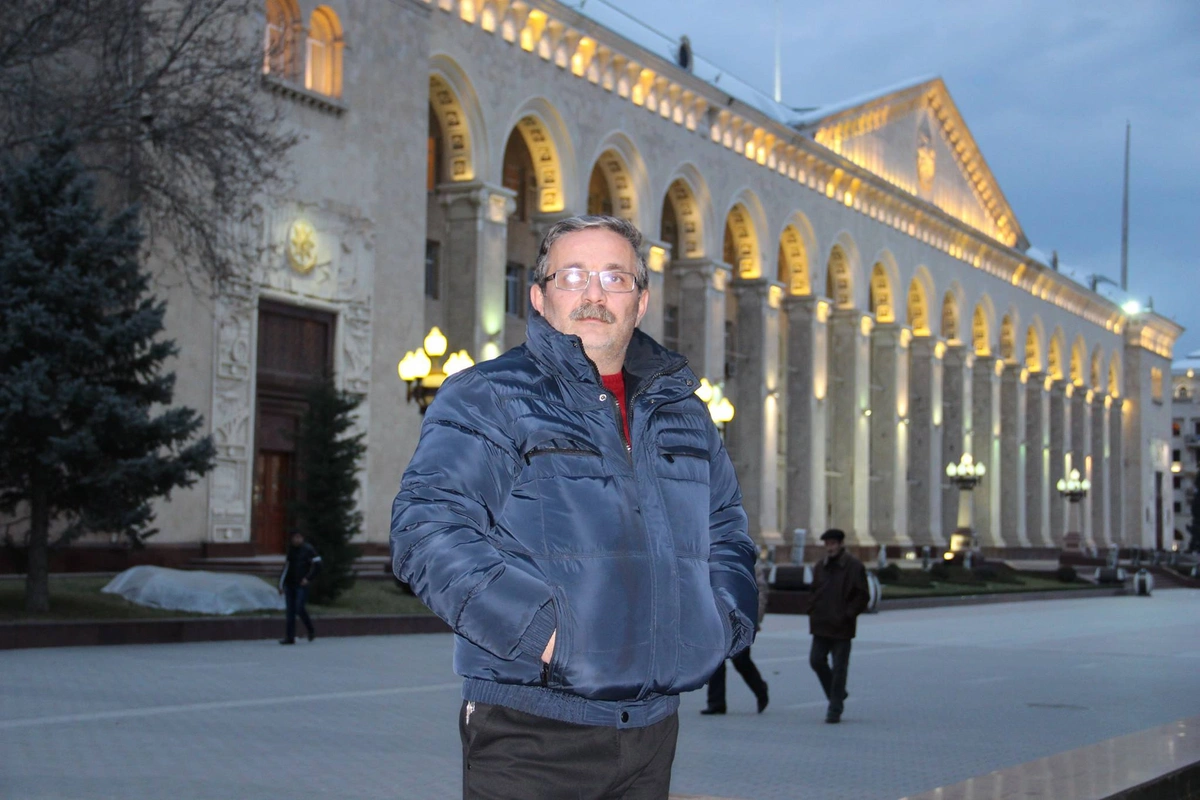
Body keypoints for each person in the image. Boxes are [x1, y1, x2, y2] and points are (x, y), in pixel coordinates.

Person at [391, 215, 758, 800]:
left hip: (652, 730)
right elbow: (427, 528)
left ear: (640, 302)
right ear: (539, 297)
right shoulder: (490, 395)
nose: (594, 293)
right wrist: (540, 631)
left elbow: (726, 530)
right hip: (530, 732)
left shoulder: (683, 412)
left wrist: (724, 620)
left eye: (616, 277)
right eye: (574, 275)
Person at [808, 528, 868, 723]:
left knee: (840, 667)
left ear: (841, 544)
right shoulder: (820, 566)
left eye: (833, 544)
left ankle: (834, 708)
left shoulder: (854, 566)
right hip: (821, 623)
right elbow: (814, 591)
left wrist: (848, 615)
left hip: (842, 626)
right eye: (827, 544)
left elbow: (862, 595)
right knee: (816, 660)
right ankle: (838, 694)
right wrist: (813, 610)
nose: (830, 548)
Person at [701, 551, 769, 715]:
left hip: (740, 619)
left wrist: (754, 618)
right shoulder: (710, 559)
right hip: (717, 619)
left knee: (742, 661)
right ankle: (716, 703)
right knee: (716, 661)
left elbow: (759, 591)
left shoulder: (745, 560)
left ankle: (760, 689)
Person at [278, 531, 321, 644]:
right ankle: (289, 637)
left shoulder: (308, 549)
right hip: (290, 584)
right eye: (294, 537)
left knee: (299, 607)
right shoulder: (291, 550)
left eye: (299, 537)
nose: (296, 540)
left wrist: (308, 578)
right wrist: (281, 585)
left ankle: (310, 629)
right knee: (290, 611)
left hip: (301, 584)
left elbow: (318, 565)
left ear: (302, 538)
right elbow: (286, 568)